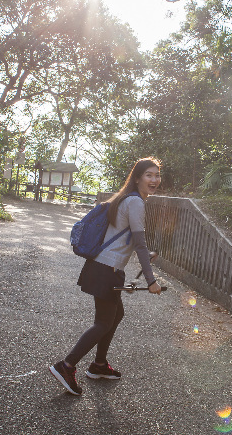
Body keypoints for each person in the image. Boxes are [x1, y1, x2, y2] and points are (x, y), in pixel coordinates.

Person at [49, 157, 163, 396]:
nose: (154, 180)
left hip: (104, 267)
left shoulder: (126, 199)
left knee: (115, 315)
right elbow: (140, 244)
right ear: (138, 178)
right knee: (103, 322)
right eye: (149, 175)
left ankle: (99, 365)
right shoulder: (135, 203)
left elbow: (126, 239)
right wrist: (151, 281)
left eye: (157, 175)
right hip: (106, 270)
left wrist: (144, 254)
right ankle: (66, 365)